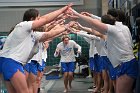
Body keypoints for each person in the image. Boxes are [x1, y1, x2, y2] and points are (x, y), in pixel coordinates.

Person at [0, 5, 72, 93]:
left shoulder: (33, 34)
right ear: (31, 19)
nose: (40, 20)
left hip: (10, 62)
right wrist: (63, 10)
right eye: (38, 18)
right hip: (11, 62)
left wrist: (65, 27)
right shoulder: (23, 25)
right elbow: (45, 19)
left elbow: (48, 34)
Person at [69, 9, 138, 93]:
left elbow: (96, 23)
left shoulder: (115, 29)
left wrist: (77, 14)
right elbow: (98, 24)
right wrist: (90, 16)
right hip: (125, 63)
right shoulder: (122, 27)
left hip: (126, 64)